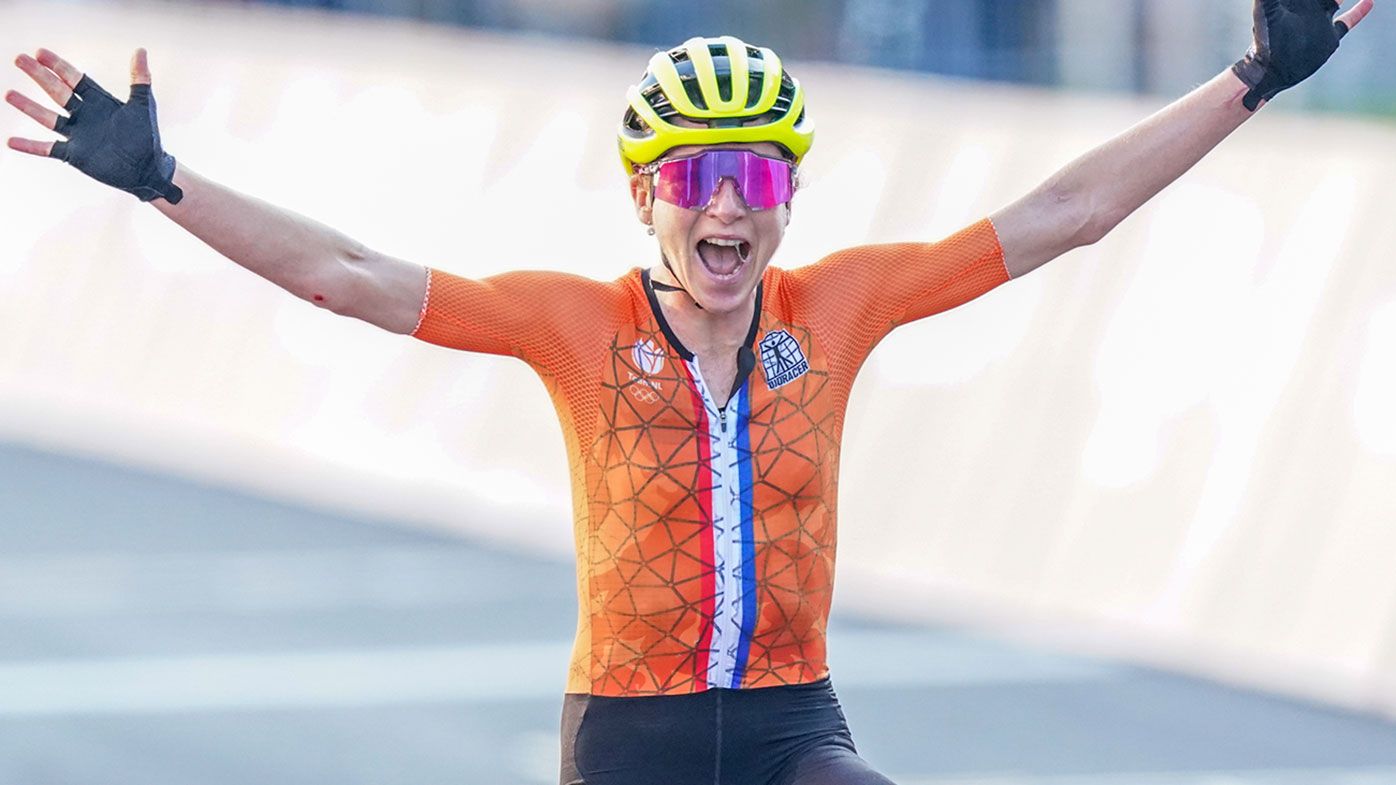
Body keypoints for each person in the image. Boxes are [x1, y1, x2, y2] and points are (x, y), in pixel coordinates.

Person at [4, 2, 1375, 783]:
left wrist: (1249, 80)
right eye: (699, 180)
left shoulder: (839, 305)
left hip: (793, 724)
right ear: (647, 197)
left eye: (763, 176)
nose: (732, 207)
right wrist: (164, 186)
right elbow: (345, 274)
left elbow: (1067, 209)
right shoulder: (571, 324)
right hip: (628, 739)